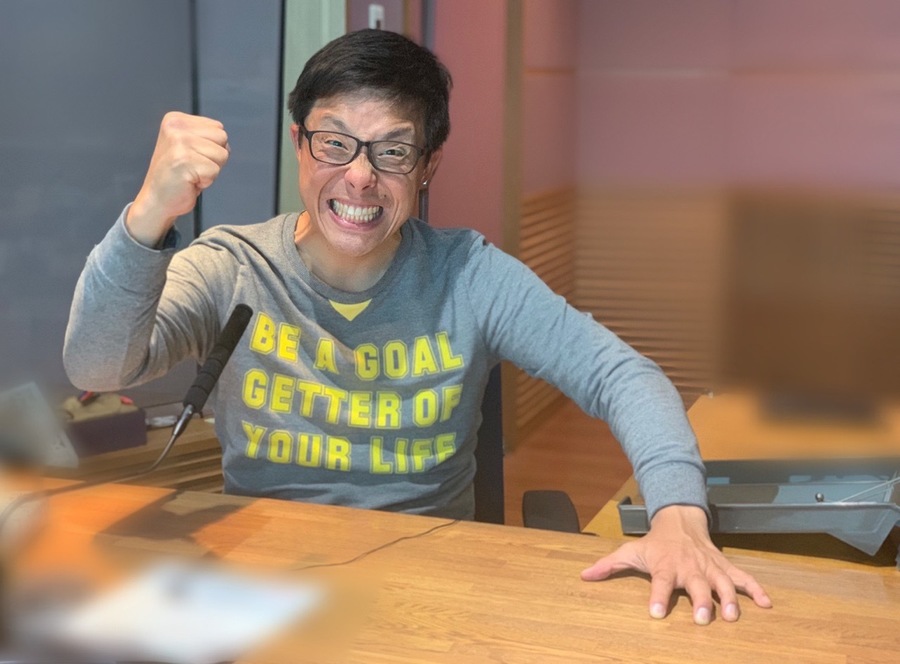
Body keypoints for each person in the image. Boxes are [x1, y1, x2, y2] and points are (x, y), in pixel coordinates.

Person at [64, 29, 770, 624]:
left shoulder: (471, 276)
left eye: (393, 151)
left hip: (435, 590)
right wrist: (149, 213)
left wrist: (680, 514)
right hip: (262, 584)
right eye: (334, 143)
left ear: (428, 165)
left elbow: (623, 375)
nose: (360, 177)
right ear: (299, 143)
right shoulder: (233, 266)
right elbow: (96, 367)